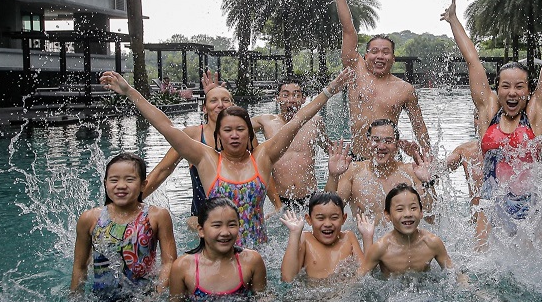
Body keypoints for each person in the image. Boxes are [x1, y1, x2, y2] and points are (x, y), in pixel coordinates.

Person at [99, 68, 353, 248]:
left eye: (240, 129)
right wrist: (130, 91)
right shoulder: (206, 159)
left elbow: (298, 120)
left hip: (258, 255)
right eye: (227, 130)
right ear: (218, 135)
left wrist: (329, 91)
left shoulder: (262, 156)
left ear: (250, 133)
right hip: (215, 251)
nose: (234, 135)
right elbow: (166, 126)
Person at [441, 0, 542, 238]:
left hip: (531, 209)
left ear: (528, 92)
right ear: (497, 90)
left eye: (519, 86)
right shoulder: (489, 114)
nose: (512, 92)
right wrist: (453, 20)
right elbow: (472, 60)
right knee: (483, 260)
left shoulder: (535, 118)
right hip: (490, 206)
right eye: (505, 86)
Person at [324, 0, 431, 159]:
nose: (380, 56)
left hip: (390, 161)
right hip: (358, 158)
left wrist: (428, 158)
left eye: (385, 52)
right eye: (374, 51)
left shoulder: (405, 89)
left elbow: (419, 127)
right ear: (365, 56)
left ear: (393, 58)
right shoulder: (355, 71)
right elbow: (348, 30)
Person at [70, 152, 177, 302]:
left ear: (143, 185)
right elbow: (80, 266)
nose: (121, 186)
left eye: (129, 179)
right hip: (101, 301)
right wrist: (75, 300)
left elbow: (169, 262)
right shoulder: (90, 219)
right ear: (105, 183)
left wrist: (157, 295)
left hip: (144, 299)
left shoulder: (157, 216)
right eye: (114, 180)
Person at [142, 83, 246, 227]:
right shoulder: (193, 135)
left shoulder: (244, 136)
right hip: (200, 221)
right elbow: (163, 170)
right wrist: (132, 201)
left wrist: (276, 206)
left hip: (240, 219)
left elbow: (261, 168)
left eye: (225, 100)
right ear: (204, 108)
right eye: (213, 100)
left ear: (233, 106)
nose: (220, 105)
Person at [325, 119, 437, 226]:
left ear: (397, 145)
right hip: (364, 238)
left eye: (388, 141)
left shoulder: (411, 173)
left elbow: (431, 219)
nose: (381, 146)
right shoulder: (353, 172)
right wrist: (333, 176)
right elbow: (328, 212)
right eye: (376, 140)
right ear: (368, 142)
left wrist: (427, 183)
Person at [169, 197, 267, 302]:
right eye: (217, 225)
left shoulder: (251, 261)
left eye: (232, 225)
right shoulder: (182, 267)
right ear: (201, 230)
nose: (225, 232)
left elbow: (262, 301)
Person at [252, 79, 331, 211]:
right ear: (277, 98)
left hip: (310, 198)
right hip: (280, 201)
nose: (291, 99)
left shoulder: (315, 122)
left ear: (303, 99)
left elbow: (330, 150)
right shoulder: (266, 122)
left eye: (296, 95)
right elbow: (236, 125)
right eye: (285, 95)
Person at [356, 184, 453, 277]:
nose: (408, 214)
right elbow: (361, 278)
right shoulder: (381, 248)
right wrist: (367, 237)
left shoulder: (432, 243)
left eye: (413, 208)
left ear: (421, 212)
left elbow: (453, 274)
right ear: (387, 215)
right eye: (400, 209)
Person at [279, 193, 375, 282]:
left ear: (343, 218)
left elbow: (366, 273)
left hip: (346, 292)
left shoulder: (348, 237)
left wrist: (367, 237)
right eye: (320, 218)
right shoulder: (305, 239)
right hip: (315, 294)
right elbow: (287, 278)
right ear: (309, 219)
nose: (328, 224)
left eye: (334, 218)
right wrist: (295, 233)